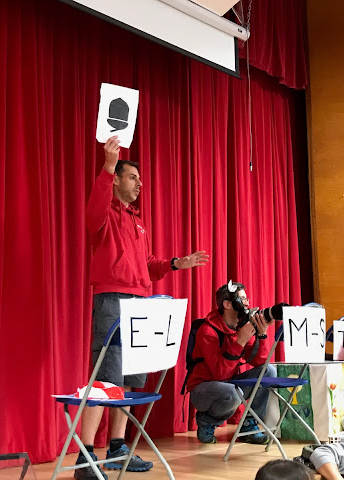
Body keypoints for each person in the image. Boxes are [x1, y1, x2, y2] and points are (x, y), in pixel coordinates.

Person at [77, 135, 209, 480]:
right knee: (106, 378)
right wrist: (108, 166)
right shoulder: (104, 212)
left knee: (130, 380)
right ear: (117, 180)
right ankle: (85, 456)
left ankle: (118, 448)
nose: (139, 185)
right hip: (112, 299)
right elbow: (92, 215)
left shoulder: (138, 220)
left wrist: (177, 263)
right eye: (132, 178)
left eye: (140, 179)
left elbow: (148, 265)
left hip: (141, 302)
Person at [185, 280, 278, 444]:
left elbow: (259, 361)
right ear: (227, 304)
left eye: (247, 298)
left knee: (268, 371)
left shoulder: (240, 326)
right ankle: (206, 420)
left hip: (229, 384)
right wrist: (240, 341)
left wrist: (262, 334)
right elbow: (219, 373)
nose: (247, 303)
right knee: (233, 393)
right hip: (203, 389)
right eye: (242, 299)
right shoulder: (207, 330)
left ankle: (249, 425)